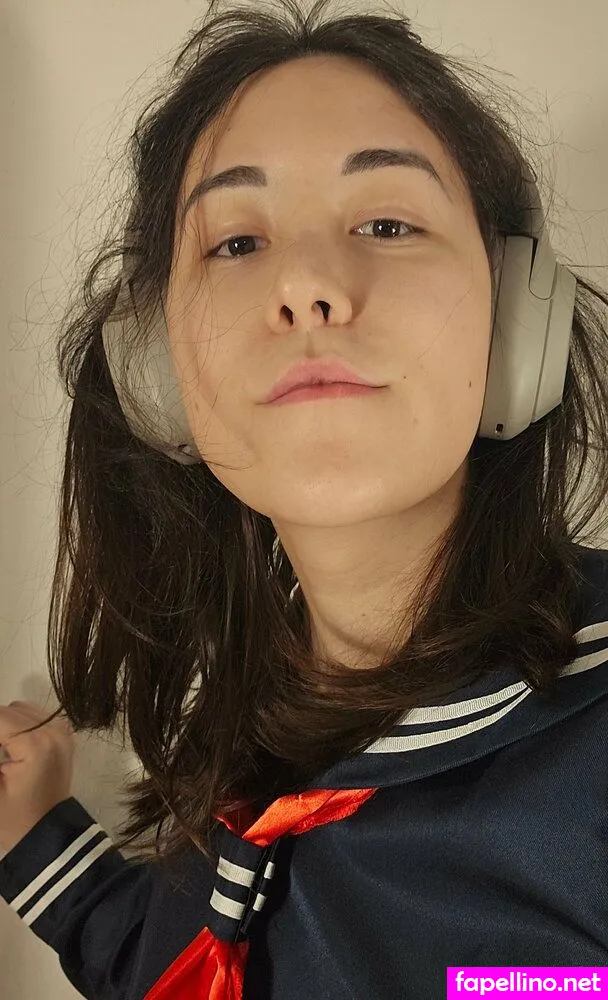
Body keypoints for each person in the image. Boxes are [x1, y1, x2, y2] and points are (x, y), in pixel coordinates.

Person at [1, 0, 608, 997]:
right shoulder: (248, 719)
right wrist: (32, 840)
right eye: (236, 243)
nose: (309, 285)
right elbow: (192, 960)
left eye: (386, 222)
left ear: (515, 322)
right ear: (157, 370)